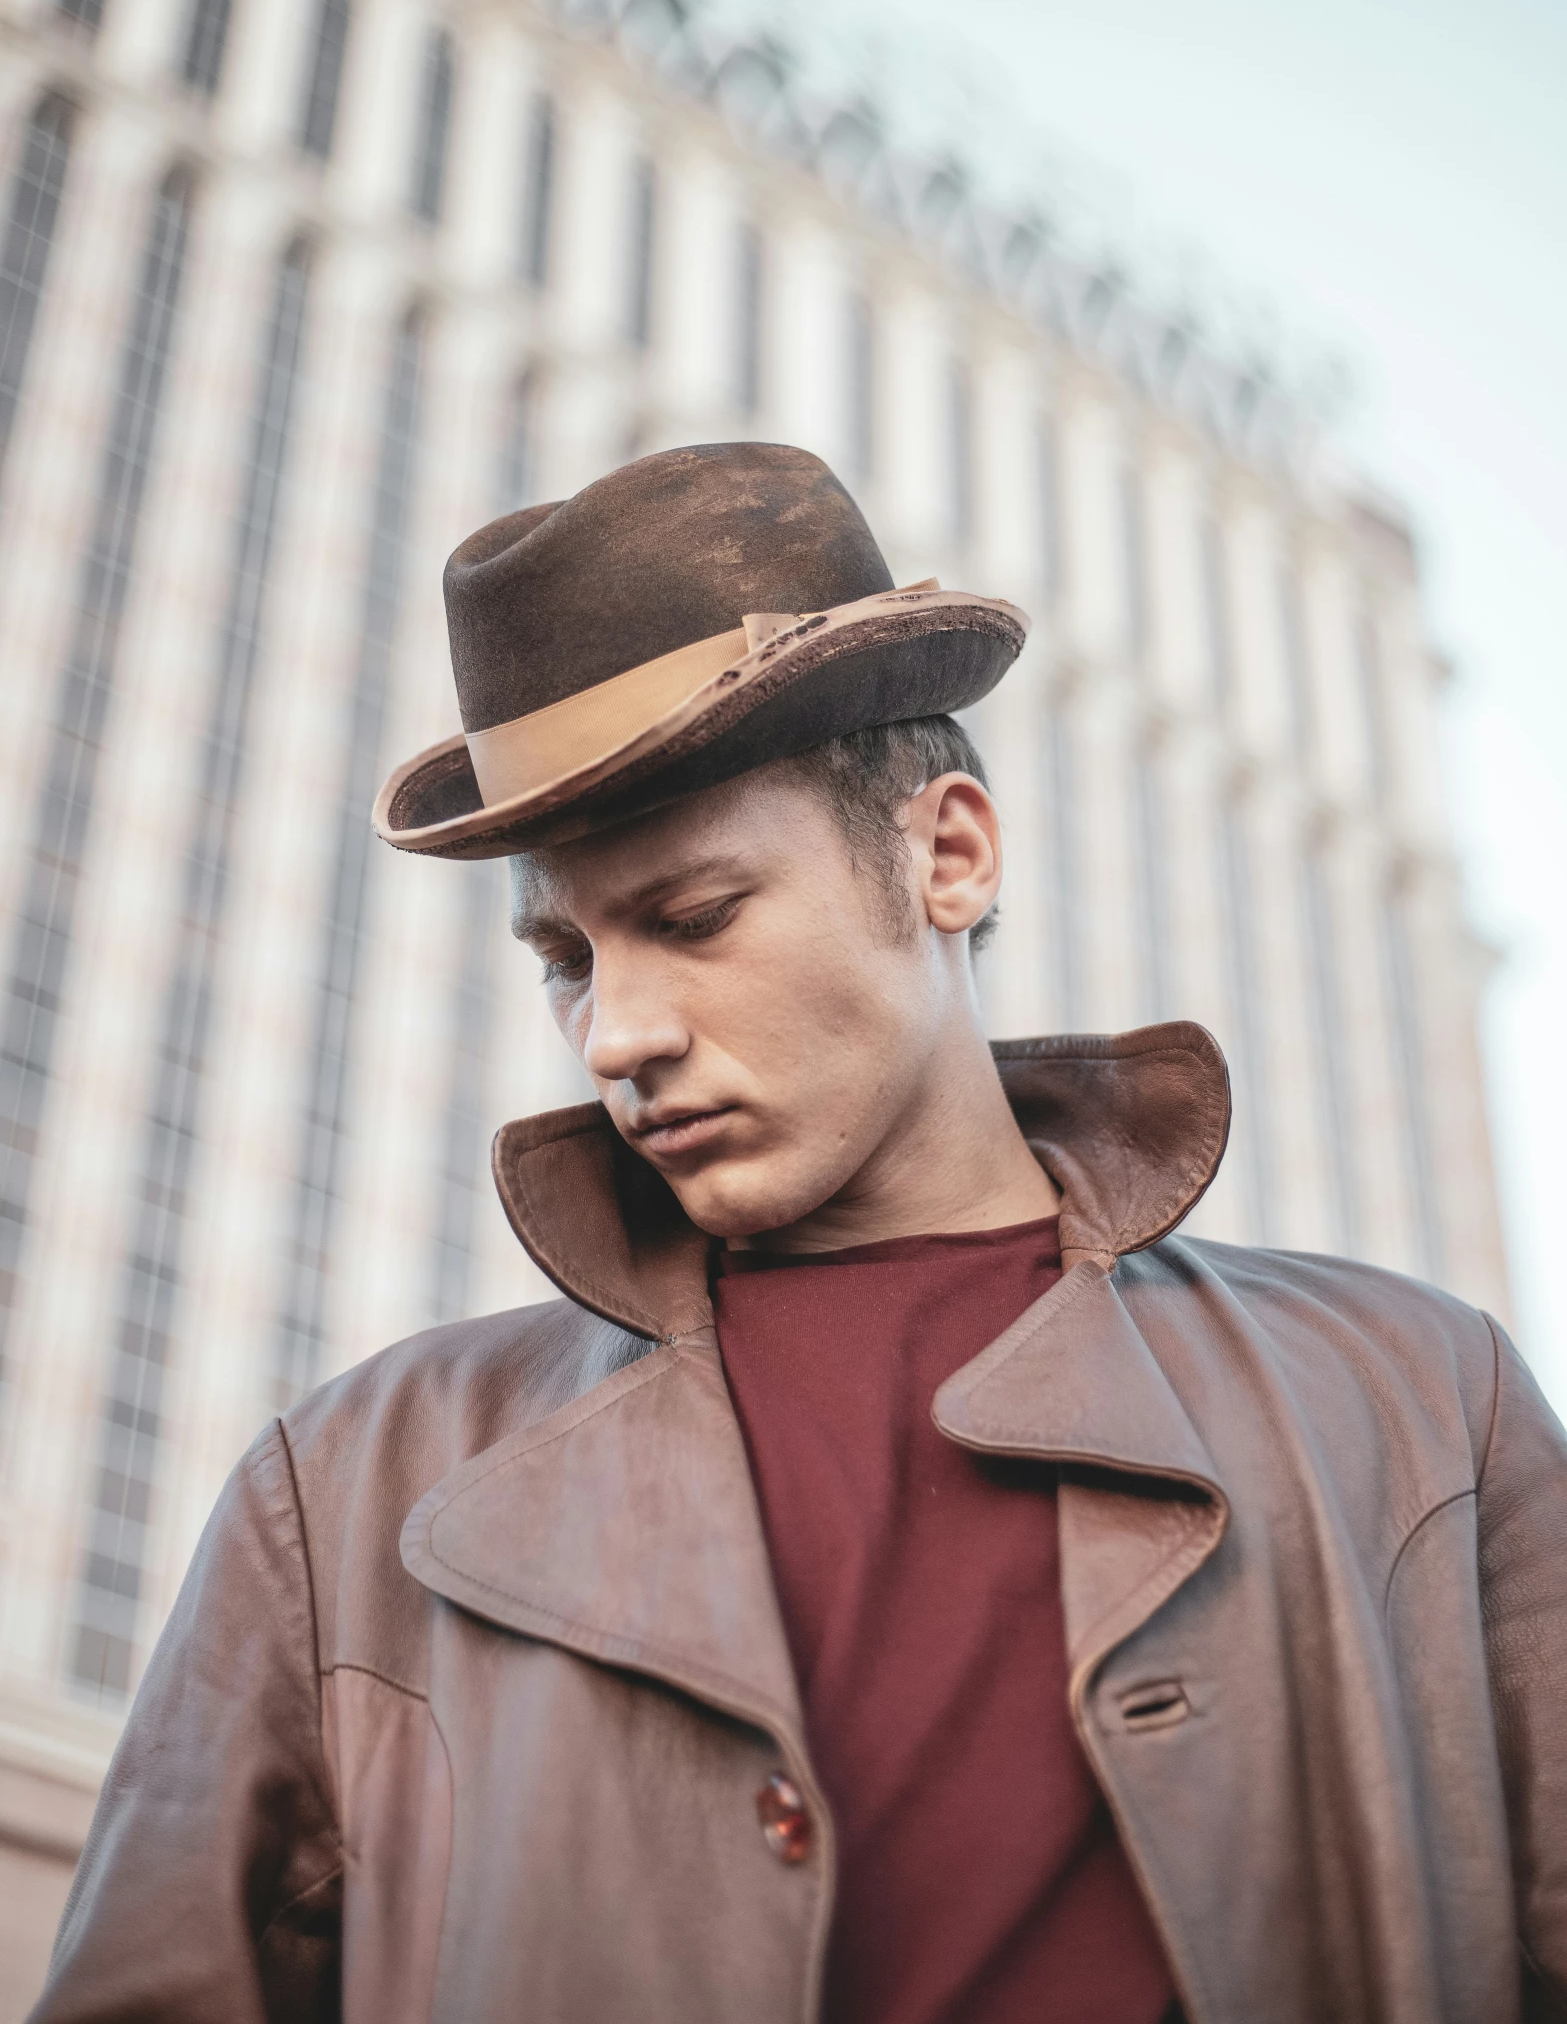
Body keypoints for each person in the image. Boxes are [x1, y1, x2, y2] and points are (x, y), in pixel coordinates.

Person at [34, 443, 1567, 2024]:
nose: (614, 1031)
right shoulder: (348, 1485)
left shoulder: (1413, 1399)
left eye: (692, 918)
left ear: (945, 853)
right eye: (564, 954)